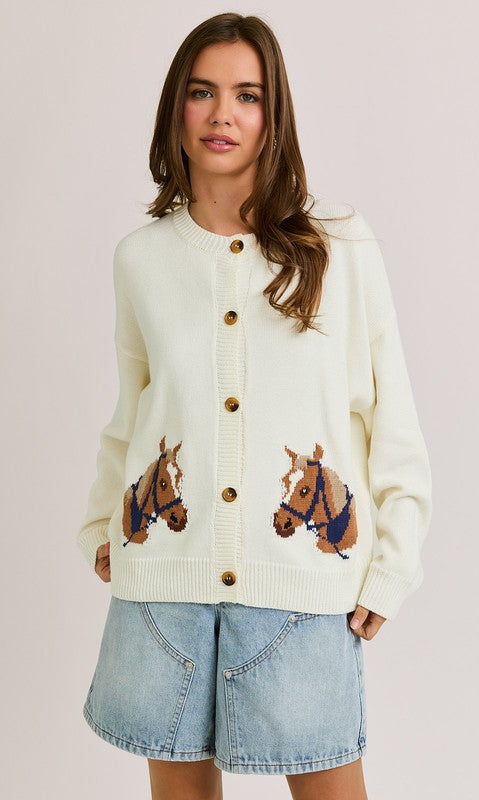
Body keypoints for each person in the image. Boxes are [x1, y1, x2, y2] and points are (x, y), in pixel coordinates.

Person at [77, 12, 432, 800]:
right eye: (202, 92)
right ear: (176, 107)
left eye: (248, 95)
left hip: (302, 585)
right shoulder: (141, 259)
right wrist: (102, 523)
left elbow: (391, 418)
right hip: (163, 584)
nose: (222, 114)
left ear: (275, 116)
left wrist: (392, 566)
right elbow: (133, 410)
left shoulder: (339, 245)